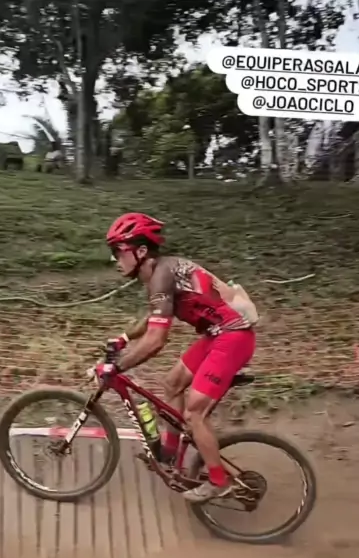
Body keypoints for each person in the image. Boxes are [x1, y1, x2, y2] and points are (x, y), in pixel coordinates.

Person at [99, 212, 256, 504]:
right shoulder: (161, 272)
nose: (114, 260)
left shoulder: (161, 274)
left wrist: (117, 367)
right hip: (218, 335)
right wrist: (123, 338)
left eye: (118, 252)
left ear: (140, 251)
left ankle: (218, 481)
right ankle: (170, 454)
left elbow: (156, 340)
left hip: (232, 337)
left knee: (194, 412)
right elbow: (154, 317)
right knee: (171, 384)